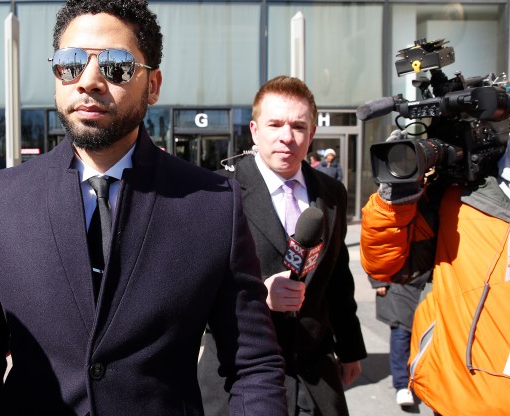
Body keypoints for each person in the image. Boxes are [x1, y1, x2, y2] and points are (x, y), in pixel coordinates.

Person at [0, 1, 286, 414]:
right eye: (70, 64)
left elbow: (252, 364)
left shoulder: (213, 205)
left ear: (153, 85)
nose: (88, 81)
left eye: (116, 65)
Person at [202, 76, 366, 416]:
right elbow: (195, 290)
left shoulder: (332, 193)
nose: (286, 137)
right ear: (254, 130)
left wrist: (350, 349)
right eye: (275, 124)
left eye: (298, 126)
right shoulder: (218, 191)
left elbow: (337, 279)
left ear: (312, 133)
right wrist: (257, 295)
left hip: (315, 378)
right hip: (239, 377)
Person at [360, 130, 510, 415]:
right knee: (400, 332)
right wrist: (396, 199)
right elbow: (387, 265)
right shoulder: (460, 193)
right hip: (458, 393)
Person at [368, 272, 427, 407]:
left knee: (423, 338)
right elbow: (378, 250)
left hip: (427, 283)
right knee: (401, 334)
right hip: (399, 283)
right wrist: (379, 280)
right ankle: (402, 385)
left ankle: (420, 381)